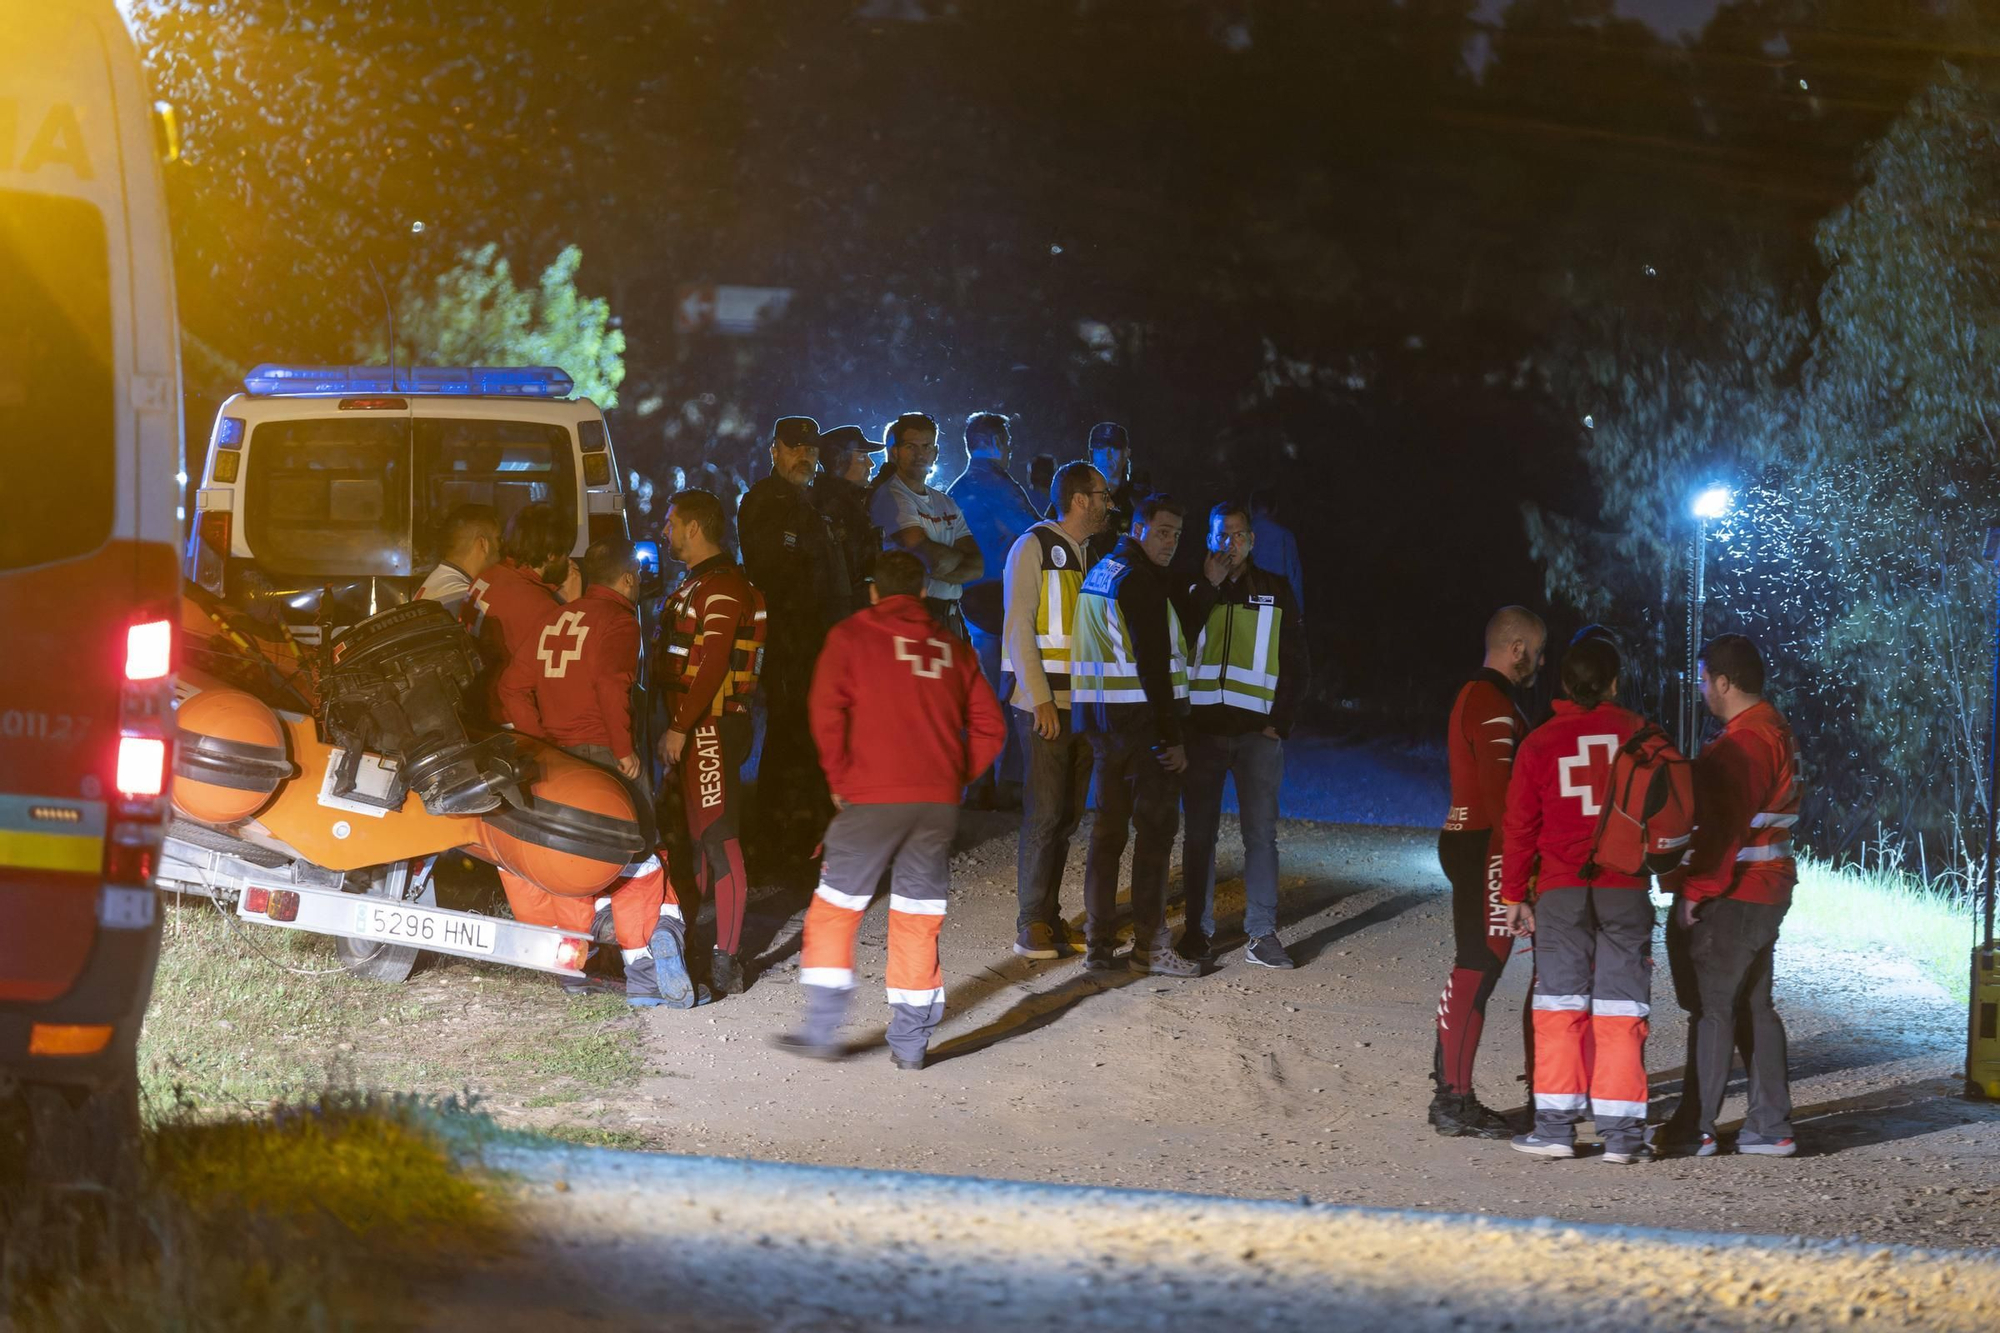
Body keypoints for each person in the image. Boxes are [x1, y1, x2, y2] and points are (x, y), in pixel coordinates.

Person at [774, 550, 1007, 1069]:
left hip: (871, 799)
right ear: (923, 592)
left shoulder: (851, 637)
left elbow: (824, 711)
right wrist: (950, 777)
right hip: (935, 805)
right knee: (917, 917)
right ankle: (910, 1045)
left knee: (836, 909)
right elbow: (992, 728)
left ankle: (821, 1031)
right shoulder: (954, 650)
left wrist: (840, 778)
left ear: (873, 590)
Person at [494, 538, 699, 1008]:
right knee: (638, 854)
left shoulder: (552, 617)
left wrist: (537, 741)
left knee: (570, 857)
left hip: (555, 759)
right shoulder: (620, 621)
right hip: (605, 756)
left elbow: (512, 686)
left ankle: (572, 963)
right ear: (628, 579)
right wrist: (624, 751)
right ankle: (644, 967)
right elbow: (611, 685)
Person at [1500, 636, 1656, 1163]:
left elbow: (1519, 827)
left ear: (1565, 684)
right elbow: (1673, 812)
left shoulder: (1540, 743)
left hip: (1562, 893)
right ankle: (1623, 1138)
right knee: (1621, 1010)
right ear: (1613, 682)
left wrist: (1514, 894)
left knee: (1560, 1008)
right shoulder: (1642, 736)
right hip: (1626, 890)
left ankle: (1555, 1130)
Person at [1659, 634, 1802, 1158]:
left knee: (1714, 1007)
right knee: (1754, 1005)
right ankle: (1770, 1126)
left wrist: (1693, 891)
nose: (1700, 690)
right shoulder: (1772, 728)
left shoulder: (1744, 743)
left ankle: (1694, 1128)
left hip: (1739, 893)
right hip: (1766, 889)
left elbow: (1724, 831)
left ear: (1723, 682)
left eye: (1702, 680)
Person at [1071, 494, 1201, 978]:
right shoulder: (1141, 581)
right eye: (1163, 531)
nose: (1171, 543)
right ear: (1140, 529)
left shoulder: (1104, 571)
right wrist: (1173, 738)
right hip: (1142, 727)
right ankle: (1150, 946)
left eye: (1177, 535)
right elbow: (1153, 667)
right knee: (1155, 835)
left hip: (1105, 726)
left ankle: (1099, 946)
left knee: (1107, 836)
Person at [1428, 605, 1546, 1139]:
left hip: (1476, 842)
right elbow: (1504, 802)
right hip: (1485, 847)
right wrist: (1521, 876)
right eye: (1537, 652)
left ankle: (1450, 1093)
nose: (1540, 663)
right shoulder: (1491, 702)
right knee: (1477, 966)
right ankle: (1452, 1100)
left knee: (1477, 966)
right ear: (1516, 647)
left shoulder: (1481, 698)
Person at [1177, 501, 1311, 970]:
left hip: (1257, 734)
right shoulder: (1192, 588)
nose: (1227, 544)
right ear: (1207, 540)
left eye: (1236, 535)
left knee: (1261, 836)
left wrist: (1282, 721)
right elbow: (1173, 647)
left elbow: (1297, 662)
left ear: (1252, 541)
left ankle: (1262, 933)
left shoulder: (1275, 590)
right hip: (1203, 733)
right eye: (1219, 535)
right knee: (1199, 837)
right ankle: (1197, 933)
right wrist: (1206, 590)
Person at [654, 489, 767, 1000]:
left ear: (694, 527)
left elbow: (714, 661)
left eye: (671, 523)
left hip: (711, 728)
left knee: (719, 839)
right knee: (695, 839)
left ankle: (725, 960)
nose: (665, 532)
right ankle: (700, 943)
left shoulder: (723, 586)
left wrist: (679, 725)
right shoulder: (699, 583)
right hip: (696, 728)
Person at [1001, 461, 1109, 959]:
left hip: (1081, 706)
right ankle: (1030, 924)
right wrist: (1040, 696)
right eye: (1102, 494)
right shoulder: (1034, 547)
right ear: (1080, 499)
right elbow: (1019, 625)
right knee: (1045, 815)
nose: (1109, 503)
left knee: (1065, 817)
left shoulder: (1088, 556)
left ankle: (1048, 917)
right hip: (1046, 706)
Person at [739, 416, 849, 882]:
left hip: (819, 642)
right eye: (794, 448)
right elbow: (775, 572)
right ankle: (773, 849)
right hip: (788, 644)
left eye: (811, 449)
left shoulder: (815, 501)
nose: (804, 456)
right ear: (774, 450)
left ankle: (803, 844)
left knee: (809, 742)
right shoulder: (763, 502)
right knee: (787, 741)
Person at [947, 411, 1041, 807]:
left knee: (980, 693)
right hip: (999, 600)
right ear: (997, 441)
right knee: (1017, 689)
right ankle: (1012, 784)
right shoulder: (997, 483)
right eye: (1008, 440)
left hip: (967, 600)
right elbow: (1031, 529)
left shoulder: (957, 486)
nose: (1011, 449)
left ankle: (980, 781)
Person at [869, 412, 982, 638]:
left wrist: (938, 564)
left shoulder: (945, 502)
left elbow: (977, 566)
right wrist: (955, 559)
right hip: (912, 618)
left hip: (950, 618)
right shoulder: (891, 497)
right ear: (895, 452)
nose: (920, 454)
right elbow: (934, 560)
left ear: (936, 453)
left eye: (927, 446)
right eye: (911, 446)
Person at [463, 502, 579, 719]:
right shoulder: (536, 605)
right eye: (565, 553)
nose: (569, 562)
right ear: (552, 554)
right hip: (514, 719)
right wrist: (573, 609)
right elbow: (562, 676)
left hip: (483, 706)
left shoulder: (488, 576)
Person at [813, 424, 881, 609]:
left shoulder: (854, 501)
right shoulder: (830, 509)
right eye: (862, 457)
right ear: (839, 462)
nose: (871, 464)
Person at [416, 503, 499, 615]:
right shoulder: (465, 599)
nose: (501, 547)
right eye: (498, 539)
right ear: (483, 544)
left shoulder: (438, 583)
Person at [1248, 487, 1305, 617]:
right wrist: (1299, 614)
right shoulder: (1285, 535)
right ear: (1275, 509)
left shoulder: (1241, 534)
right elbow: (1294, 576)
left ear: (1251, 507)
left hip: (1246, 603)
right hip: (1277, 605)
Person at [1084, 422, 1135, 564]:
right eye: (1100, 448)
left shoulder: (1138, 501)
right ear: (1092, 453)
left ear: (1126, 453)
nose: (1107, 455)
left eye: (1114, 448)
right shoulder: (1075, 495)